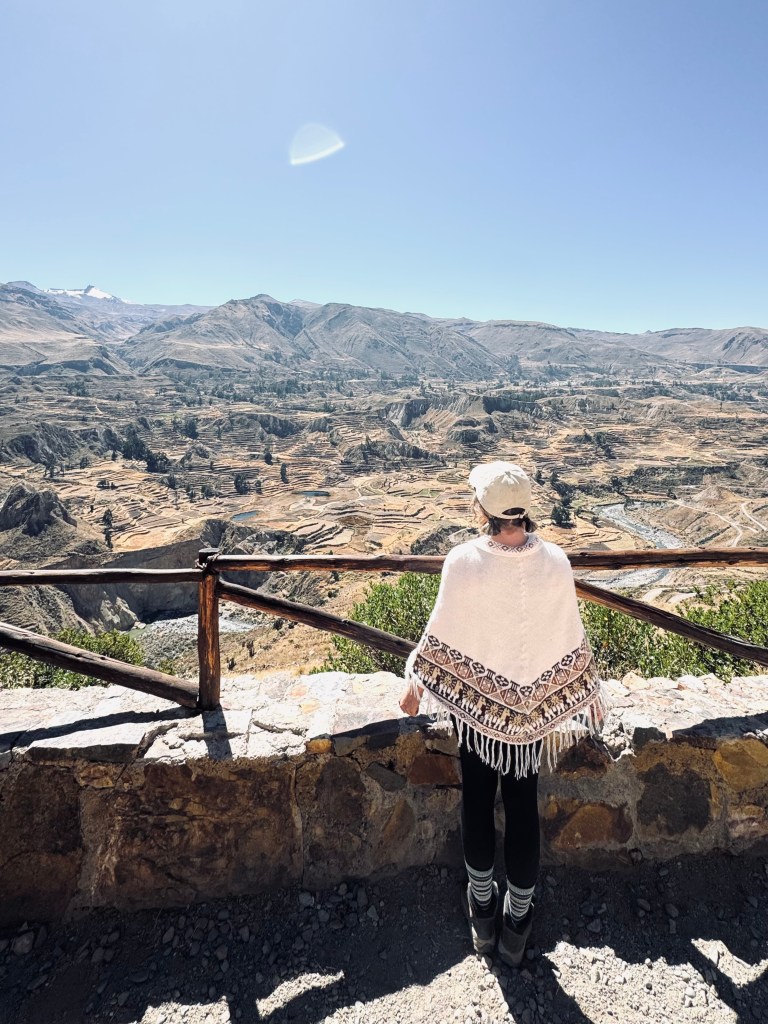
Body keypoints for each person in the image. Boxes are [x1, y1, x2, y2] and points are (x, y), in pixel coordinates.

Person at [399, 461, 605, 966]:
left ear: (482, 510)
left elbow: (442, 636)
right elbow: (568, 636)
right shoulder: (555, 561)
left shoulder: (463, 561)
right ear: (526, 510)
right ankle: (517, 925)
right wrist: (581, 692)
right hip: (532, 717)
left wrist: (417, 683)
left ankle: (483, 914)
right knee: (521, 806)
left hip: (477, 715)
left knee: (475, 801)